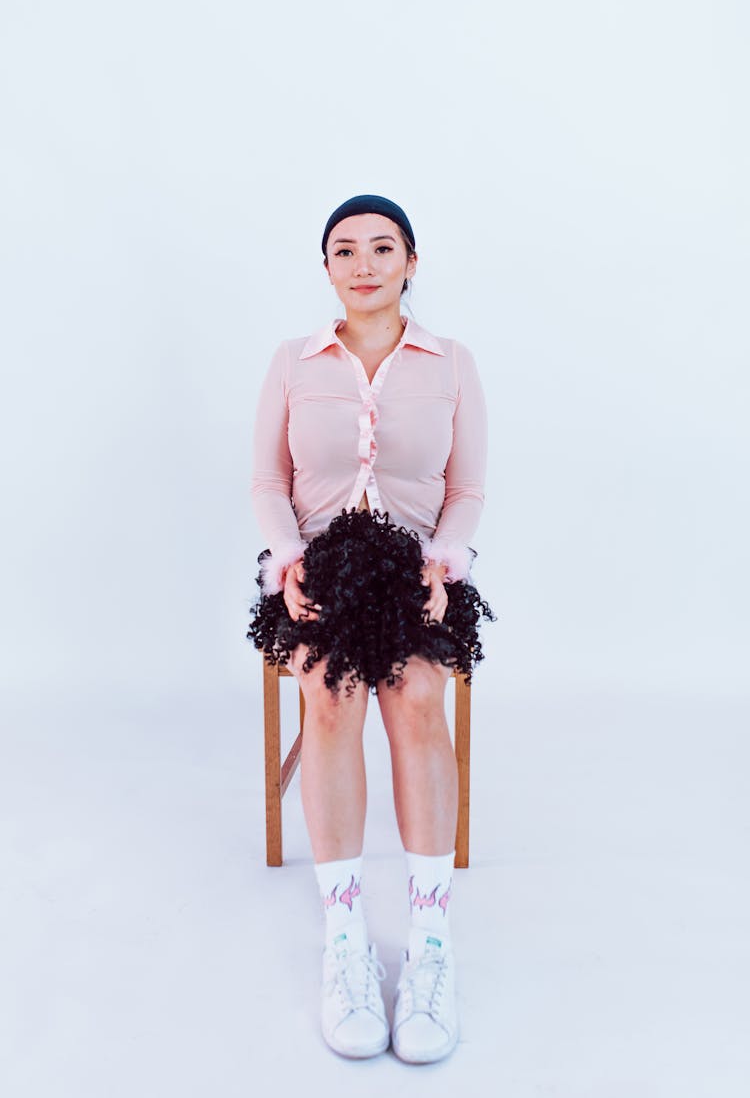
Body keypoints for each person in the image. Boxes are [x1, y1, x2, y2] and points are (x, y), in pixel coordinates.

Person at [247, 194, 492, 1063]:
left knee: (420, 695)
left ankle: (430, 938)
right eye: (344, 250)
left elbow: (465, 492)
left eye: (382, 248)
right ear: (327, 269)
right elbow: (267, 482)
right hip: (318, 567)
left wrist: (447, 560)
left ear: (410, 261)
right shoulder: (292, 360)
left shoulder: (453, 362)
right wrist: (287, 557)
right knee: (333, 691)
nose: (364, 264)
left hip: (418, 571)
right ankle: (344, 935)